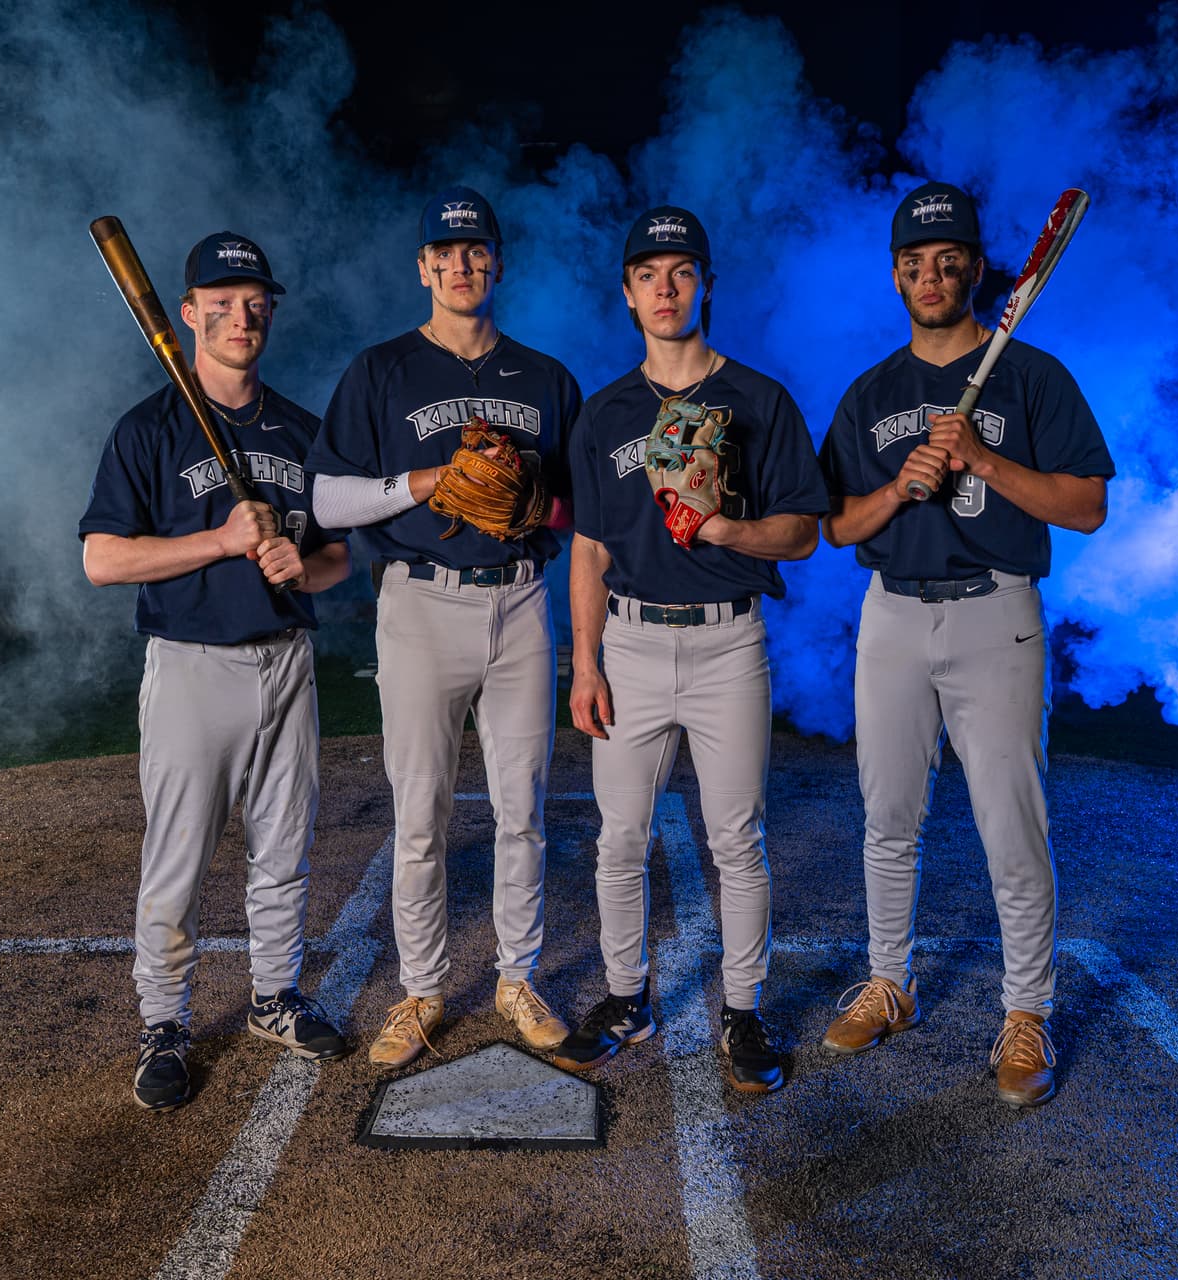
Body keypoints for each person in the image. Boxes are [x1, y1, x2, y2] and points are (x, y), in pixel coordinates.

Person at [817, 181, 1114, 1107]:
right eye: (915, 264)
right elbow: (835, 525)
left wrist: (982, 459)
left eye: (949, 262)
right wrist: (899, 490)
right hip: (894, 613)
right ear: (897, 275)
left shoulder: (1031, 375)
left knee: (1009, 823)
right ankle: (890, 982)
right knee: (887, 815)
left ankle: (1027, 1012)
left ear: (977, 270)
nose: (932, 276)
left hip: (997, 612)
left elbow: (1089, 508)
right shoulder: (873, 393)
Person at [554, 206, 827, 1095]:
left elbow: (801, 535)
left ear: (705, 282)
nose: (665, 289)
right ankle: (627, 997)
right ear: (627, 293)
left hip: (726, 644)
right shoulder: (604, 415)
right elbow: (588, 550)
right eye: (648, 275)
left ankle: (744, 1012)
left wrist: (725, 529)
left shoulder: (759, 399)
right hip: (628, 644)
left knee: (735, 839)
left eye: (680, 272)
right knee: (620, 838)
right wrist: (585, 662)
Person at [307, 187, 581, 1067]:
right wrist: (426, 483)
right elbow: (327, 497)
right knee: (420, 811)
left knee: (521, 806)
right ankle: (422, 990)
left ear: (497, 261)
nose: (461, 265)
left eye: (475, 251)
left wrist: (540, 500)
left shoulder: (545, 377)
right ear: (423, 267)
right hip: (420, 602)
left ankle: (517, 977)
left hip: (523, 601)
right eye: (445, 253)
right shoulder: (381, 370)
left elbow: (577, 507)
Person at [81, 232, 354, 1111]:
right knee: (180, 859)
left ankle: (274, 997)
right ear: (190, 314)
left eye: (256, 301)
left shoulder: (302, 430)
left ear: (270, 309)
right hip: (193, 667)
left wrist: (300, 570)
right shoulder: (149, 428)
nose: (243, 316)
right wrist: (223, 540)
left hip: (287, 662)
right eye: (223, 302)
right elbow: (103, 560)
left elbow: (340, 554)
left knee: (284, 850)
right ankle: (164, 1023)